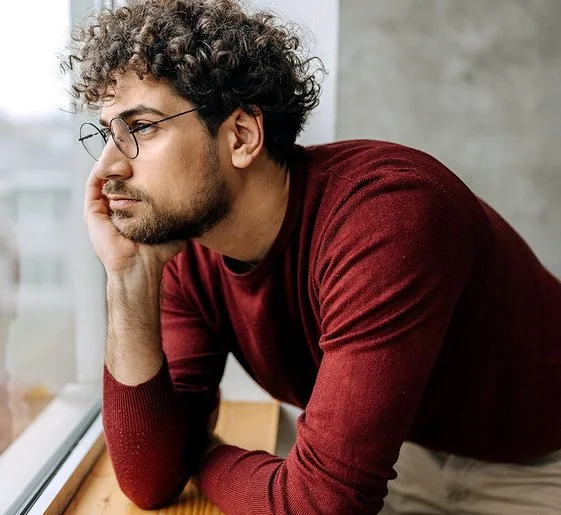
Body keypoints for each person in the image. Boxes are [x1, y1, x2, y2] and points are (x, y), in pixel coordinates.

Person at [62, 0, 561, 513]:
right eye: (106, 134)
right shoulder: (187, 257)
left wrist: (197, 451)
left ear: (241, 136)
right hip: (396, 455)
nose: (107, 168)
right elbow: (150, 479)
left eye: (140, 127)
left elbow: (320, 504)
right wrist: (126, 279)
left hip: (538, 468)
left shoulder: (387, 215)